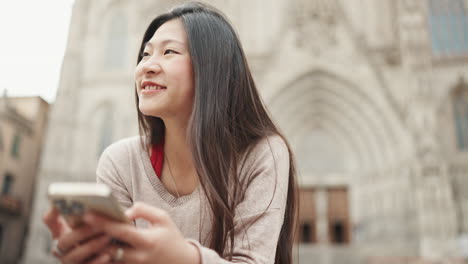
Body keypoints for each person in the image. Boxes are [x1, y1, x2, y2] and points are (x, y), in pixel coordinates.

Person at [43, 2, 298, 264]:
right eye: (145, 54)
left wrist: (184, 258)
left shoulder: (262, 153)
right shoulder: (119, 162)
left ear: (212, 67)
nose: (147, 67)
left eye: (169, 51)